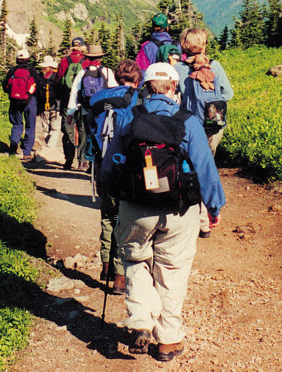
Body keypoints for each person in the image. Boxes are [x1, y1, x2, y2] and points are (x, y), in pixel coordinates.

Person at [100, 63, 225, 362]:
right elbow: (205, 167)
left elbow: (109, 165)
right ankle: (168, 341)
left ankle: (141, 319)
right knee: (172, 270)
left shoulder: (131, 118)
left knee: (134, 259)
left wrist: (112, 197)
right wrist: (214, 206)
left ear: (145, 88)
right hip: (178, 210)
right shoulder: (188, 121)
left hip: (135, 206)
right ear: (173, 87)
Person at [88, 59, 143, 294]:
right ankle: (120, 276)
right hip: (126, 166)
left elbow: (91, 130)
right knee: (124, 218)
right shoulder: (139, 100)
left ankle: (105, 265)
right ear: (137, 79)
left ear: (117, 77)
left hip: (102, 164)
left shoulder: (97, 99)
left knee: (107, 215)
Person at [173, 27, 234, 238]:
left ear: (183, 46)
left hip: (190, 127)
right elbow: (229, 93)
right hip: (214, 127)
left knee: (191, 168)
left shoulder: (179, 69)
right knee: (208, 167)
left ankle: (195, 216)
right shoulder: (215, 65)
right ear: (204, 45)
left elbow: (175, 95)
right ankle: (207, 218)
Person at [66, 43, 117, 172]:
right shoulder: (107, 71)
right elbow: (114, 91)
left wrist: (70, 113)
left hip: (86, 109)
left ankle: (85, 162)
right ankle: (99, 163)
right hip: (103, 111)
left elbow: (75, 93)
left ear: (88, 58)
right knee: (101, 135)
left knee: (86, 135)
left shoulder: (82, 73)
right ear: (100, 58)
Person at [57, 37, 88, 170]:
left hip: (66, 101)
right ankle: (82, 161)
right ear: (83, 47)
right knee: (83, 130)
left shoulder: (65, 60)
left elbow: (59, 80)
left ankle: (68, 160)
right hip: (81, 101)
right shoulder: (86, 61)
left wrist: (60, 98)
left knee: (68, 130)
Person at [2, 49, 38, 160]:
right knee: (30, 126)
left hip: (14, 101)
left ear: (17, 59)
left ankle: (13, 149)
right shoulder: (32, 70)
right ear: (28, 59)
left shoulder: (12, 70)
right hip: (29, 100)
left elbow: (5, 86)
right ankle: (26, 153)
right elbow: (39, 84)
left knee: (16, 124)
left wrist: (13, 94)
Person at [33, 54, 61, 162]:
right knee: (55, 129)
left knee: (45, 129)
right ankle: (50, 148)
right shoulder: (56, 76)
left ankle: (48, 149)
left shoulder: (40, 77)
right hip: (55, 106)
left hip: (43, 107)